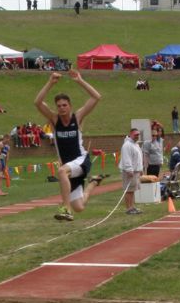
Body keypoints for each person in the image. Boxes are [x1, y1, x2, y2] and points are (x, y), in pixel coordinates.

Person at [34, 70, 105, 221]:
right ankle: (93, 183)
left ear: (70, 106)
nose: (61, 108)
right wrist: (50, 82)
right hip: (69, 169)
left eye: (64, 105)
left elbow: (96, 97)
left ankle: (66, 208)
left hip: (81, 160)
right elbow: (38, 103)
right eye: (59, 105)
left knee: (61, 171)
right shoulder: (54, 120)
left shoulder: (77, 117)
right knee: (79, 207)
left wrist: (80, 80)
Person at [119, 129, 143, 215]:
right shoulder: (127, 145)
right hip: (129, 171)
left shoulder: (136, 145)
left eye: (138, 134)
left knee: (132, 190)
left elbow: (138, 158)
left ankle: (132, 207)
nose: (137, 136)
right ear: (131, 134)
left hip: (135, 170)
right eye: (135, 134)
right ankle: (128, 208)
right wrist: (129, 170)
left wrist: (140, 169)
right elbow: (126, 159)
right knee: (128, 190)